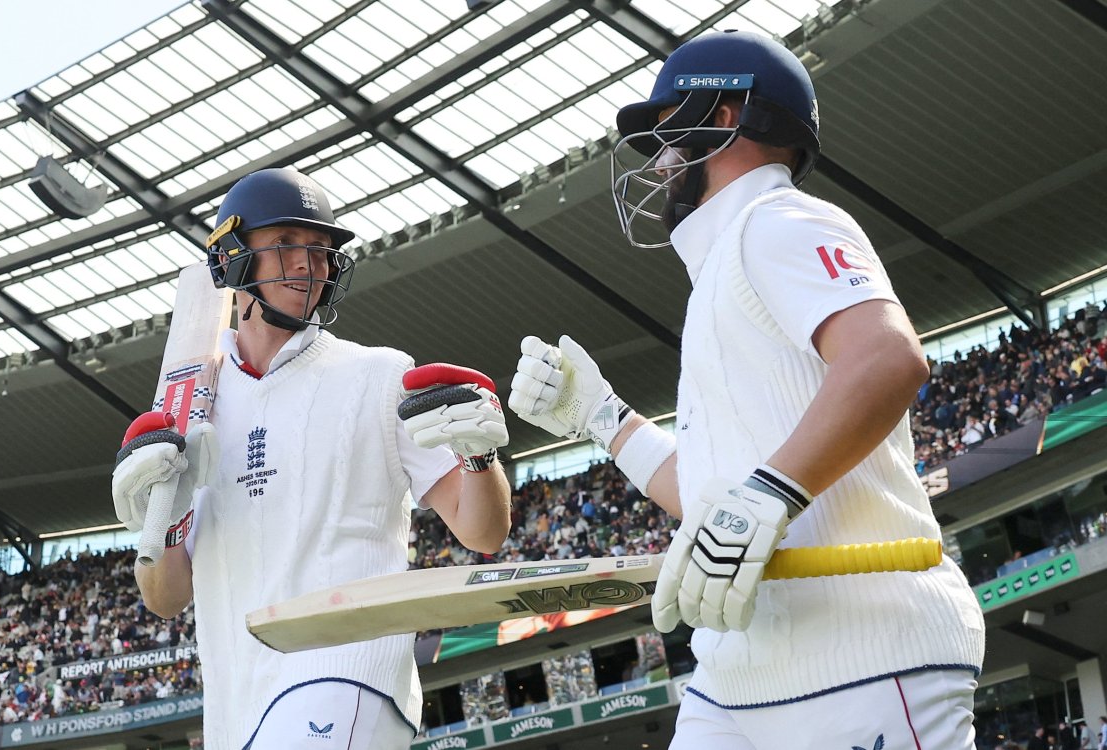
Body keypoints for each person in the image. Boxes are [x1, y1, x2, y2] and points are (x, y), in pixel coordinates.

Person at [508, 30, 984, 749]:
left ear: (725, 118)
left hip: (866, 653)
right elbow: (713, 498)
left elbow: (887, 359)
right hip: (735, 679)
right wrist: (602, 417)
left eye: (669, 136)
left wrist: (770, 492)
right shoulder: (722, 274)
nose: (661, 161)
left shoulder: (778, 219)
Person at [112, 168, 512, 749]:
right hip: (237, 705)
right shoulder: (186, 412)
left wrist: (478, 458)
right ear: (231, 258)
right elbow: (165, 597)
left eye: (322, 250)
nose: (310, 265)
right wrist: (162, 520)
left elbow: (484, 529)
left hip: (350, 671)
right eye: (286, 247)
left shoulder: (380, 374)